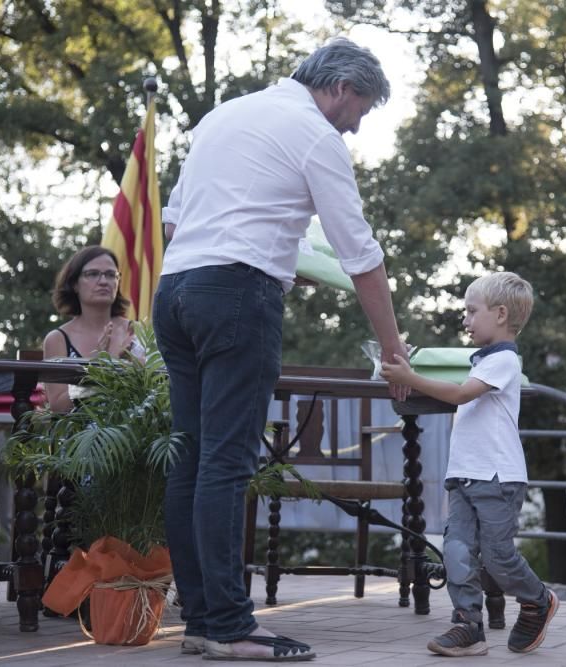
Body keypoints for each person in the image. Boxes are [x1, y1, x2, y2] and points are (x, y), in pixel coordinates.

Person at [153, 37, 409, 662]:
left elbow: (173, 220)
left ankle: (202, 618)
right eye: (363, 111)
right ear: (342, 88)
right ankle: (231, 626)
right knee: (224, 460)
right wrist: (393, 349)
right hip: (238, 295)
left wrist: (249, 254)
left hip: (176, 289)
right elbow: (360, 255)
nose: (356, 127)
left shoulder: (225, 115)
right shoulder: (315, 134)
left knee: (189, 457)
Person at [380, 271, 558, 657]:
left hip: (497, 477)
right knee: (456, 549)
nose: (464, 319)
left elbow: (460, 395)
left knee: (497, 556)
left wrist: (412, 376)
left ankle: (537, 599)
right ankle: (468, 625)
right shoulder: (483, 360)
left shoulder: (505, 360)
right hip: (463, 475)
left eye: (470, 311)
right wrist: (412, 374)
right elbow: (457, 393)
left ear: (500, 314)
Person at [43, 246, 142, 412]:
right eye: (93, 274)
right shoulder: (57, 338)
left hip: (132, 433)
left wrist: (134, 365)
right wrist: (99, 368)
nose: (103, 281)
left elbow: (155, 391)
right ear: (75, 284)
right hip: (80, 436)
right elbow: (58, 407)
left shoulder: (135, 330)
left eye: (111, 275)